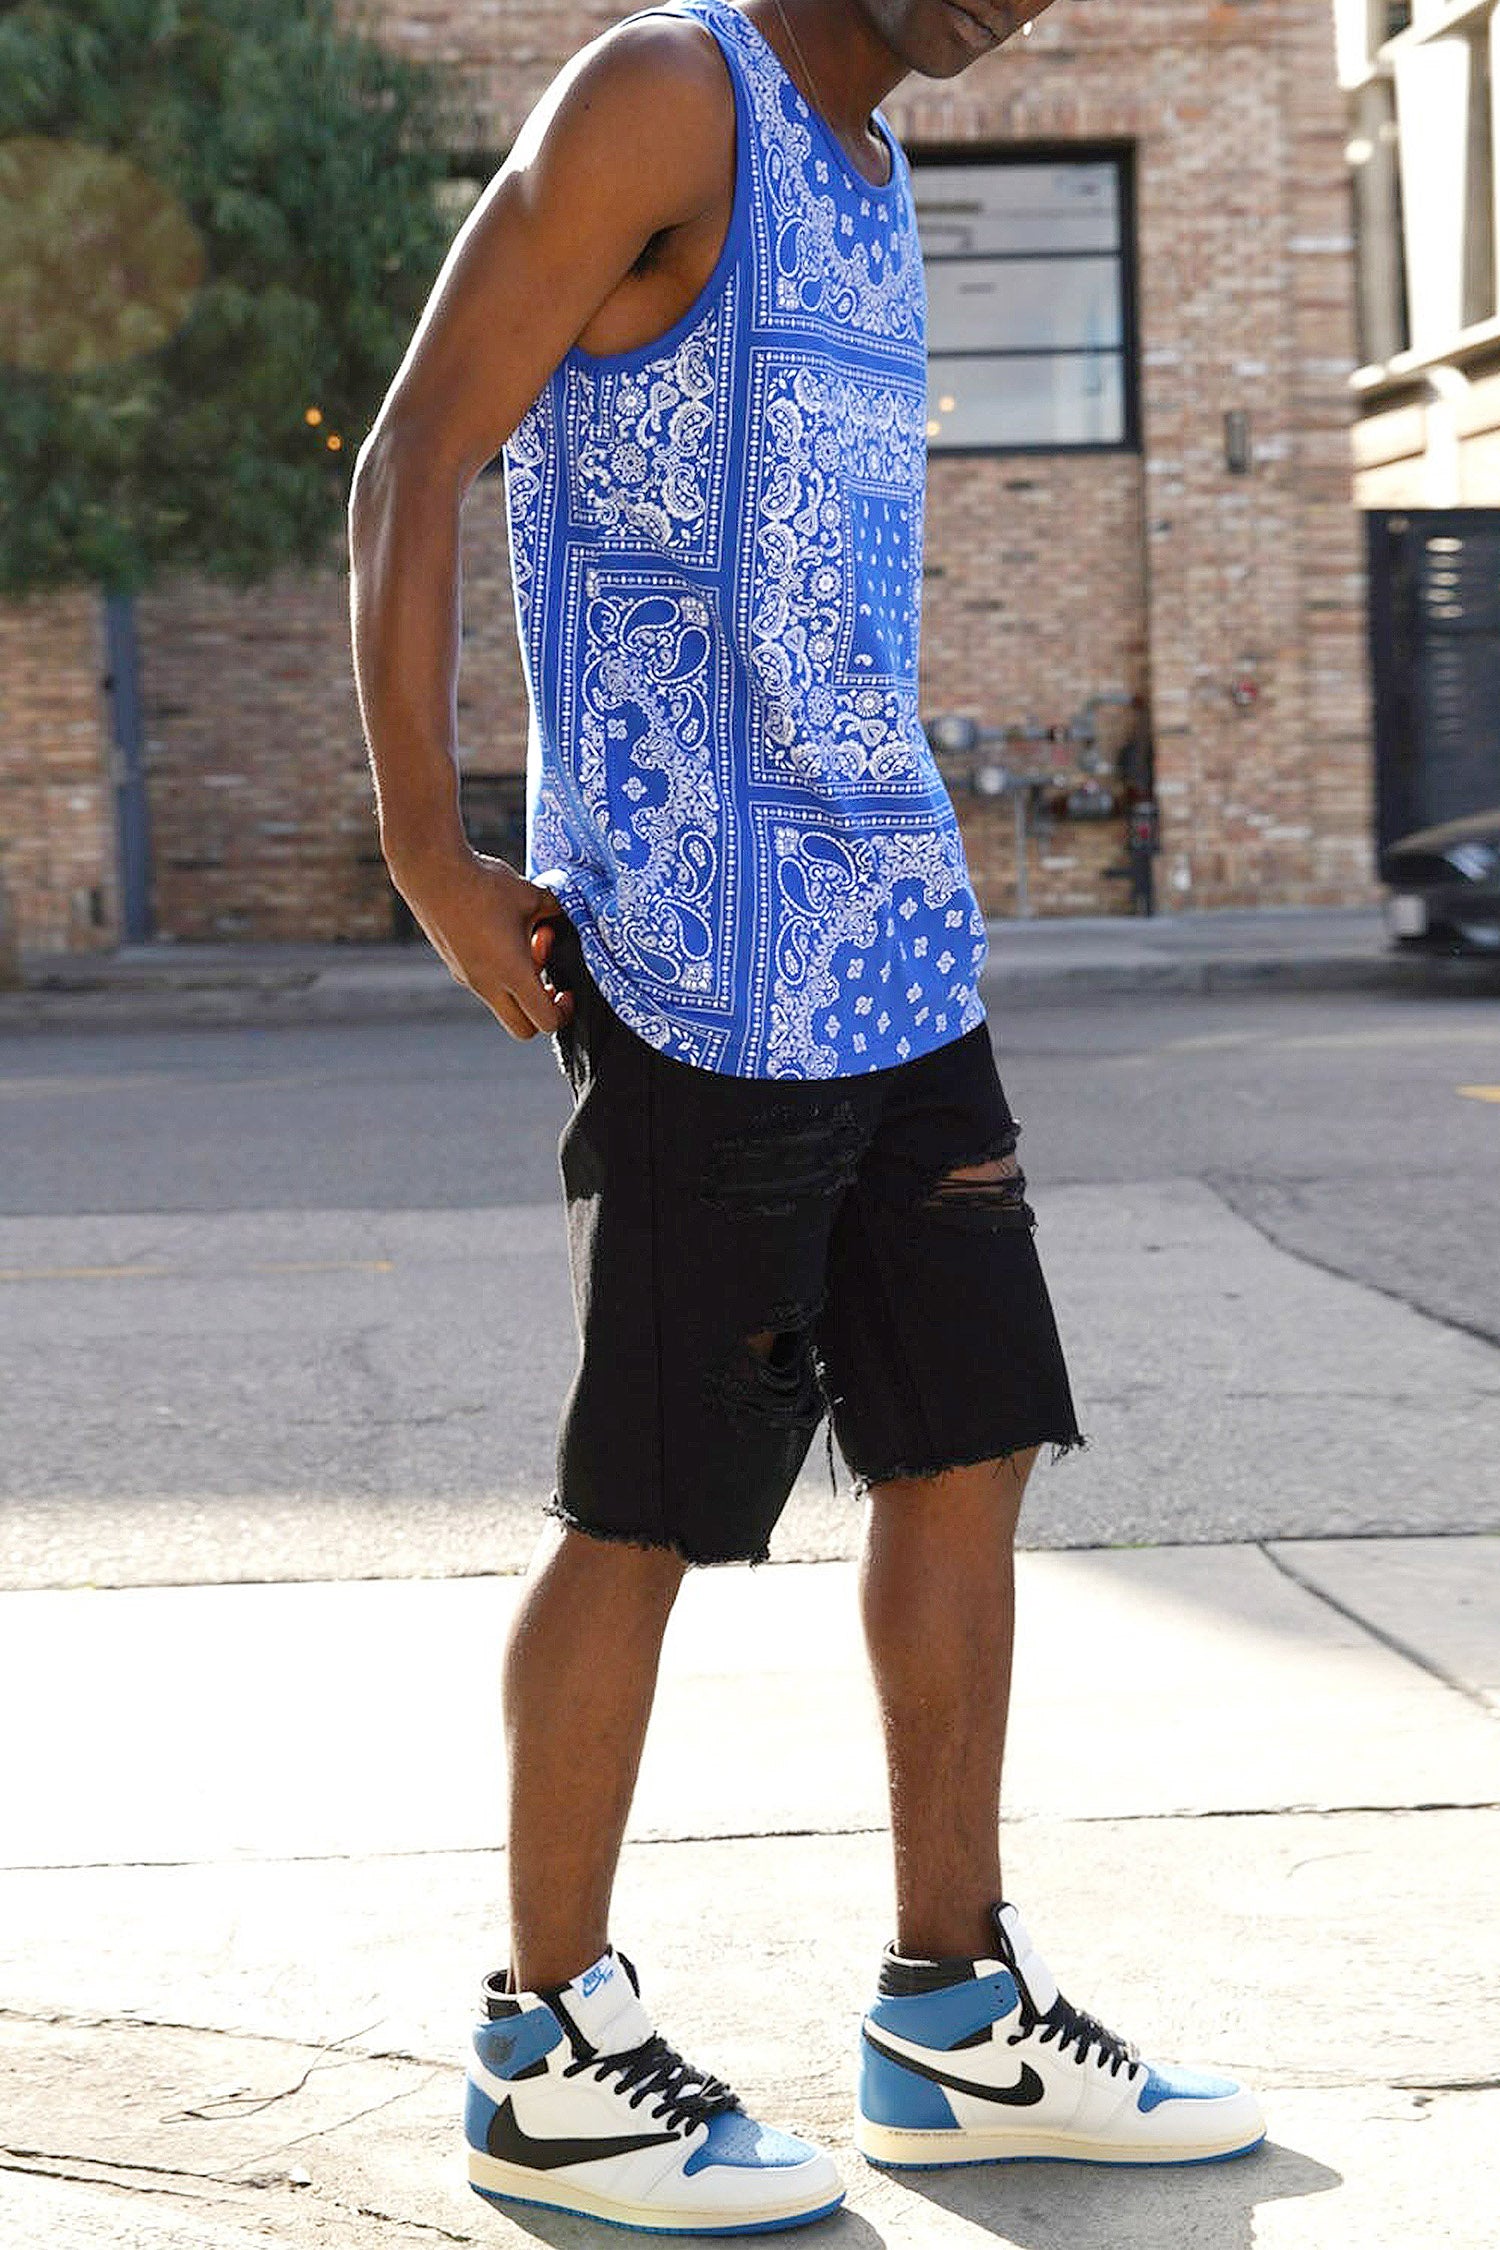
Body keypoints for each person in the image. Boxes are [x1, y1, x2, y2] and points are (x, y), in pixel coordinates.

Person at [348, 0, 1266, 2231]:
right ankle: (546, 2048)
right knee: (651, 1504)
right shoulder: (667, 96)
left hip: (892, 936)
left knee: (968, 1441)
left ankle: (950, 2019)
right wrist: (429, 849)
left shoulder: (872, 169)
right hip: (690, 949)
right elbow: (411, 459)